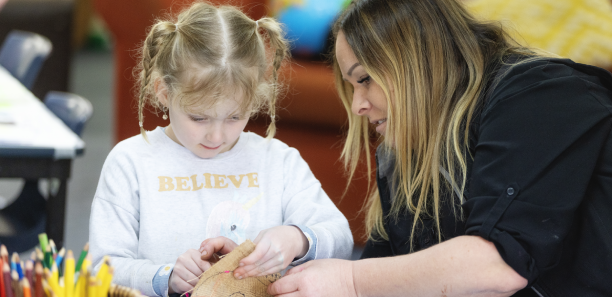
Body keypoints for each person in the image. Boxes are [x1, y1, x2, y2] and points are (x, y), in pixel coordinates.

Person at [267, 0, 612, 296]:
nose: (358, 105)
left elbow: (500, 265)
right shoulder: (408, 153)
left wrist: (351, 281)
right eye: (351, 85)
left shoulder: (543, 95)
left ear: (415, 61)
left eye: (365, 79)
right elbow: (388, 272)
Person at [87, 2, 353, 296]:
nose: (216, 135)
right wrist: (165, 276)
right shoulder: (131, 162)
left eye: (235, 117)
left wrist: (297, 238)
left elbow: (341, 237)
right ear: (164, 91)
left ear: (254, 100)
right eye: (199, 117)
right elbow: (101, 268)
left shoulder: (278, 160)